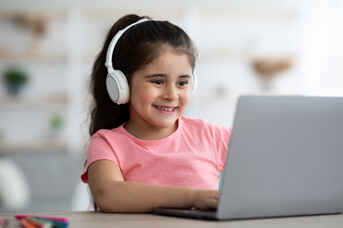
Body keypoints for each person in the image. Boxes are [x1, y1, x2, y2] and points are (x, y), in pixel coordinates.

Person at [81, 14, 231, 213]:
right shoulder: (107, 143)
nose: (172, 95)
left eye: (182, 83)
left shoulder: (212, 136)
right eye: (158, 81)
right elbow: (109, 195)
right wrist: (194, 197)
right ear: (122, 85)